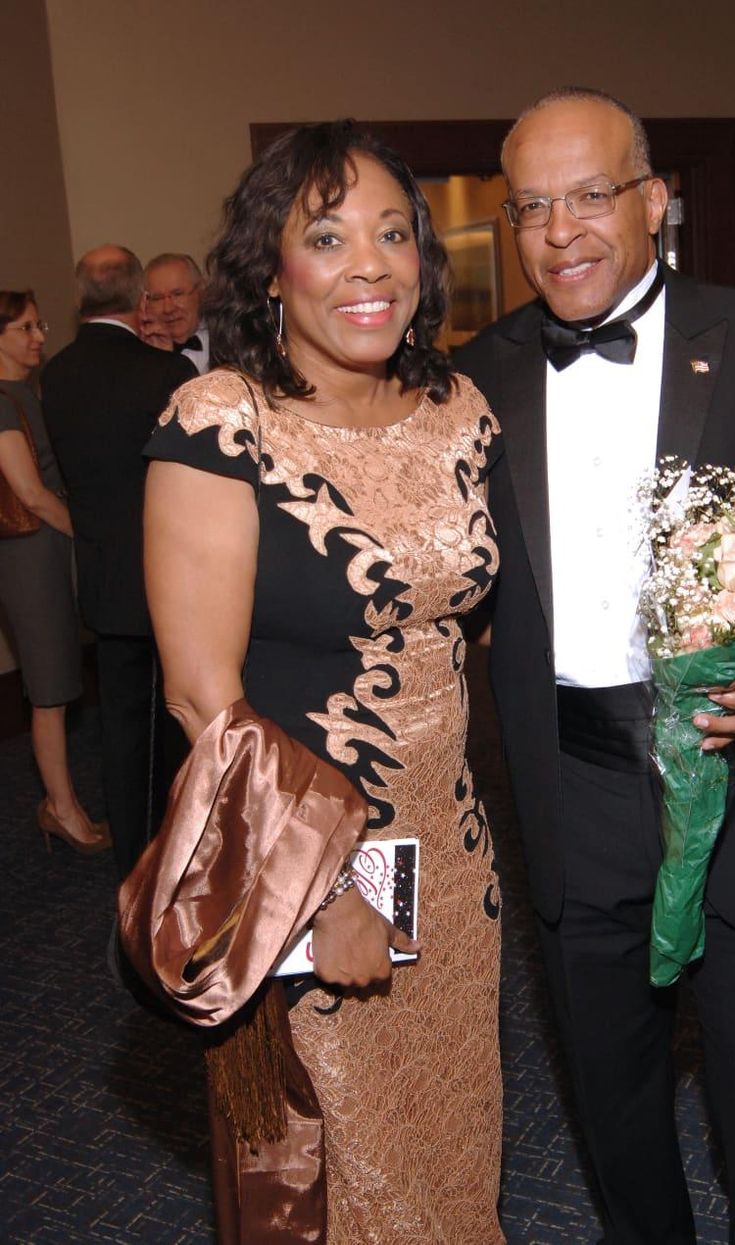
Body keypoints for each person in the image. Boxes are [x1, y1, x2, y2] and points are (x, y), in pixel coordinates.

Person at [456, 88, 735, 1245]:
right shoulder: (475, 378)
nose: (559, 231)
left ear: (653, 202)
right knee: (609, 1088)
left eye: (588, 196)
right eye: (530, 206)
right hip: (573, 787)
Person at [131, 122, 503, 1242]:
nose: (368, 264)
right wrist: (326, 892)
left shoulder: (461, 412)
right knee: (332, 1166)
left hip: (455, 859)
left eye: (393, 234)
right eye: (327, 236)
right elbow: (202, 697)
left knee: (451, 1137)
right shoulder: (220, 423)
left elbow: (479, 628)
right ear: (272, 268)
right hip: (308, 865)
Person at [42, 247, 196, 878]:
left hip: (103, 577)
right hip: (169, 577)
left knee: (121, 729)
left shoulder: (55, 374)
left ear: (81, 299)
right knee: (178, 727)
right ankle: (178, 855)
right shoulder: (165, 372)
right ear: (138, 299)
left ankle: (133, 857)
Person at [0, 291, 107, 854]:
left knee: (60, 680)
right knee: (49, 688)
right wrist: (88, 538)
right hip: (29, 555)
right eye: (24, 327)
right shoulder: (1, 399)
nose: (39, 335)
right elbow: (32, 496)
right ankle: (61, 810)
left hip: (45, 550)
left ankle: (61, 803)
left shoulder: (24, 393)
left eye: (39, 323)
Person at [144, 253, 210, 371]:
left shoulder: (228, 341)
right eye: (157, 298)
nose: (168, 309)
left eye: (177, 294)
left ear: (201, 292)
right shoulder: (139, 355)